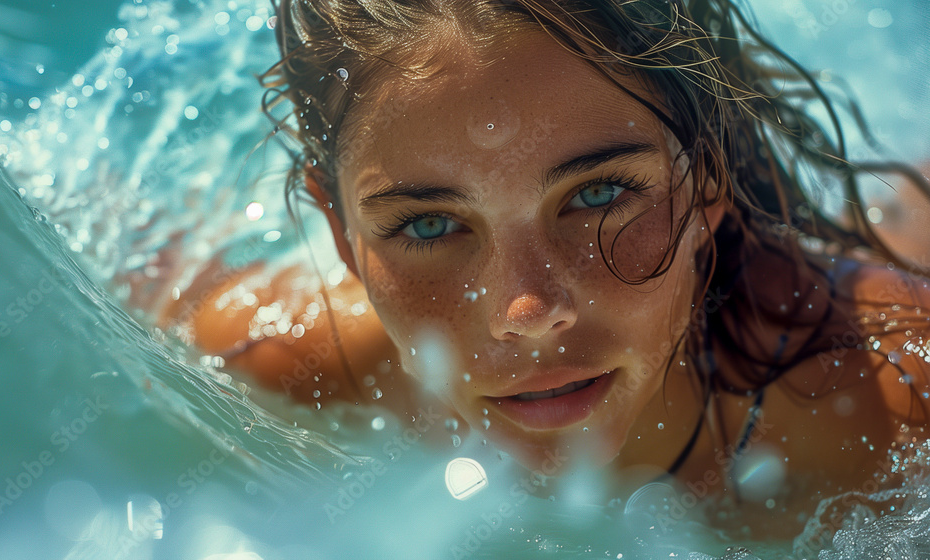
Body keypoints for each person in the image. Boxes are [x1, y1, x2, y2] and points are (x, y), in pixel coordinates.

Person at [179, 0, 930, 539]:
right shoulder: (272, 362)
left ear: (708, 176)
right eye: (429, 224)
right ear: (341, 234)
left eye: (598, 195)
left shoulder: (891, 403)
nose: (528, 309)